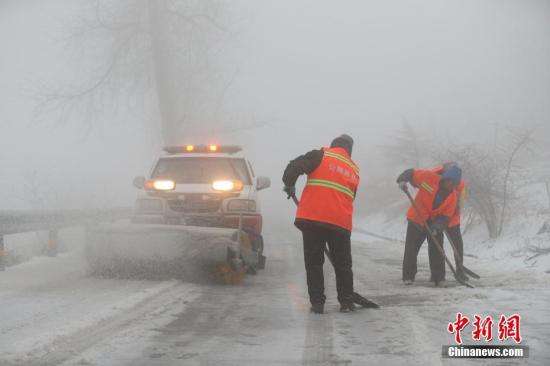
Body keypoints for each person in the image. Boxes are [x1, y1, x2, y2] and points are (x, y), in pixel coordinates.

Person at [282, 134, 359, 313]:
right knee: (343, 264)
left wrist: (290, 184)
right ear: (350, 150)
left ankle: (317, 304)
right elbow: (351, 197)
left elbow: (294, 166)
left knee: (314, 262)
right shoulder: (354, 169)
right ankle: (346, 301)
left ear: (333, 145)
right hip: (340, 223)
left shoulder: (321, 155)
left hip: (313, 220)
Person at [396, 165, 462, 287]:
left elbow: (445, 217)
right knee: (411, 248)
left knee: (437, 249)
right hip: (417, 217)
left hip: (433, 222)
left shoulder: (452, 197)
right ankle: (408, 276)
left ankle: (438, 277)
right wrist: (402, 180)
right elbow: (411, 172)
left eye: (454, 184)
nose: (451, 186)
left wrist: (437, 227)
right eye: (451, 183)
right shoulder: (429, 178)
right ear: (446, 179)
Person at [431, 163, 468, 282]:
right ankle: (437, 274)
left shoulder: (461, 185)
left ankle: (460, 269)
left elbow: (462, 203)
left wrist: (452, 210)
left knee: (457, 245)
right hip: (435, 217)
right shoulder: (434, 175)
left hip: (452, 219)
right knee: (436, 245)